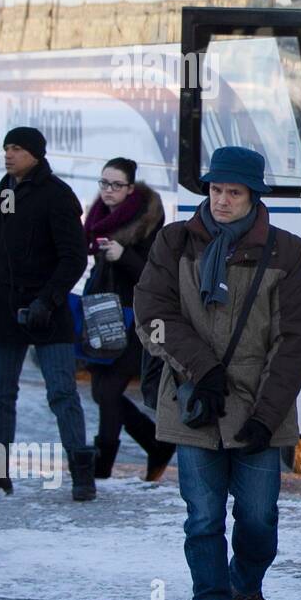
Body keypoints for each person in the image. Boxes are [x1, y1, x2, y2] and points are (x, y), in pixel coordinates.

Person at [134, 146, 301, 600]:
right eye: (215, 190)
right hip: (195, 403)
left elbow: (296, 339)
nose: (222, 200)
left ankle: (245, 585)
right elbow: (153, 313)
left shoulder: (287, 251)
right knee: (203, 520)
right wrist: (202, 369)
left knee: (259, 520)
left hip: (261, 407)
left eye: (233, 192)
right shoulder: (174, 242)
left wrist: (266, 414)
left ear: (253, 195)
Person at [0, 127, 93, 503]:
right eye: (6, 148)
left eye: (16, 148)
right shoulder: (5, 188)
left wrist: (48, 300)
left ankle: (81, 475)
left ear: (35, 153)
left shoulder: (57, 195)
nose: (8, 154)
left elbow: (74, 258)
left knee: (62, 393)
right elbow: (0, 247)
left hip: (46, 313)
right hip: (3, 311)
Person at [82, 157, 172, 481]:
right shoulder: (98, 217)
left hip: (135, 317)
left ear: (130, 188)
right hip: (102, 314)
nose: (108, 191)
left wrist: (124, 256)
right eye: (104, 183)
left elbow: (154, 273)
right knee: (99, 391)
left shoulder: (148, 219)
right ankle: (155, 444)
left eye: (116, 185)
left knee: (108, 392)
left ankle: (102, 464)